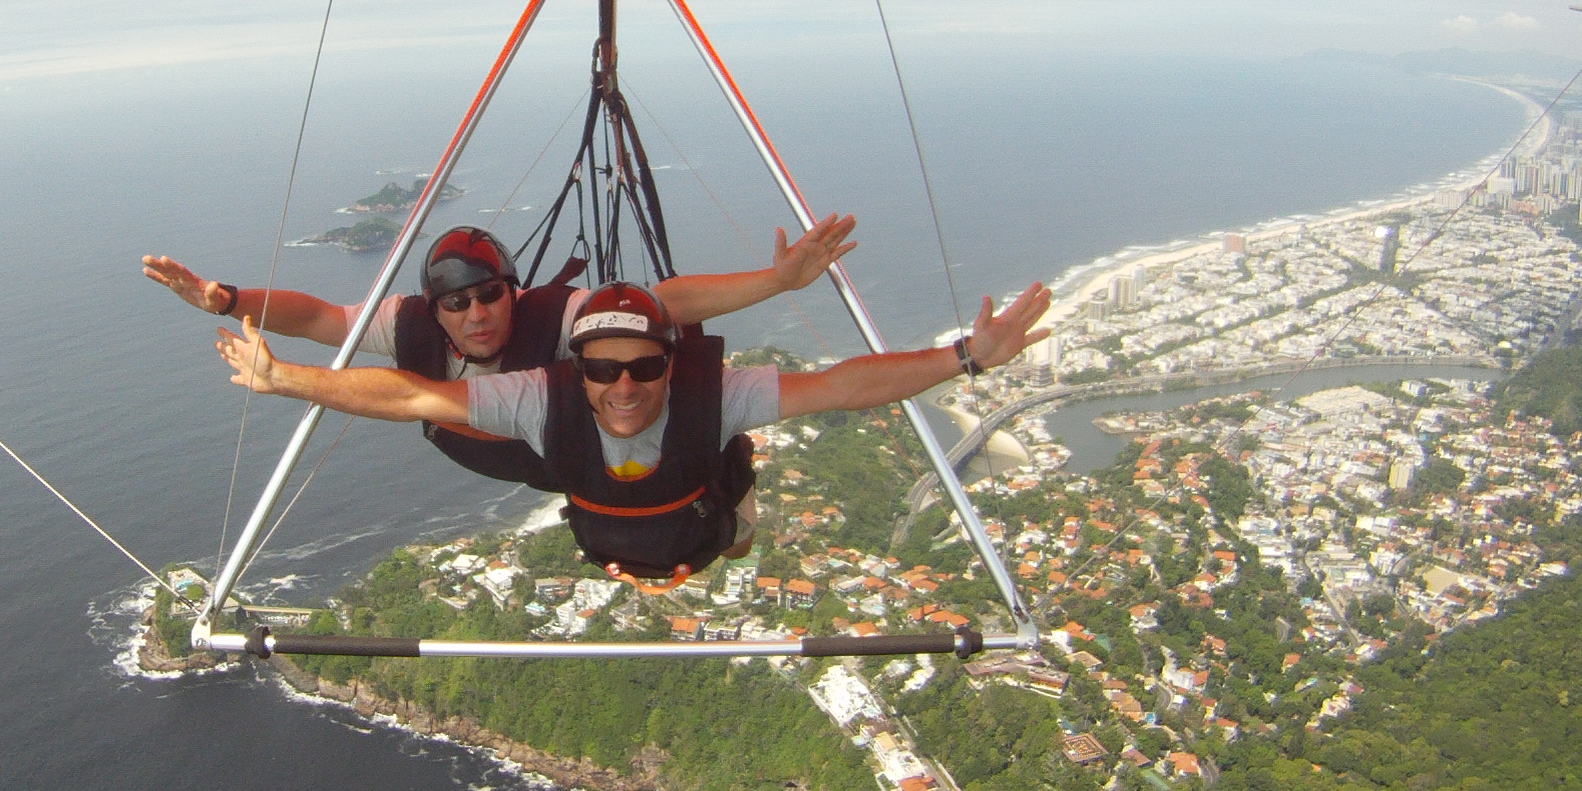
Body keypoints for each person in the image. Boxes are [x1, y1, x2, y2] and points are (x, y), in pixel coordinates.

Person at [212, 277, 1054, 581]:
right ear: (572, 369)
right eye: (601, 370)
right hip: (608, 530)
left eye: (645, 368)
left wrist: (964, 360)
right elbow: (412, 397)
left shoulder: (710, 397)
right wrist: (289, 379)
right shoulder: (537, 398)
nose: (622, 387)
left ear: (670, 365)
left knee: (731, 522)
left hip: (701, 517)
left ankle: (735, 521)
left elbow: (837, 387)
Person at [144, 216, 855, 489]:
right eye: (457, 303)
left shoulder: (558, 316)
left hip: (590, 453)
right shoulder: (410, 325)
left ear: (513, 292)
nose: (478, 314)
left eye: (491, 295)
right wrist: (227, 297)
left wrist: (776, 282)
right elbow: (319, 317)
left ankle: (733, 478)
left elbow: (665, 303)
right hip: (527, 461)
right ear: (435, 307)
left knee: (718, 518)